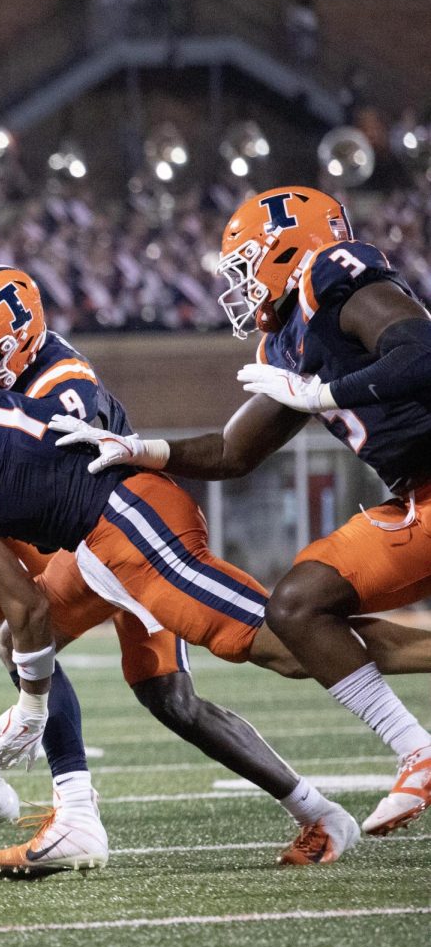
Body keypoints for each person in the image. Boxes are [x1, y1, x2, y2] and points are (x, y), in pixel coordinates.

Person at [0, 267, 370, 877]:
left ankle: (76, 813)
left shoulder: (63, 385)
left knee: (56, 642)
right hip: (52, 534)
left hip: (109, 533)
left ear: (23, 342)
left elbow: (40, 491)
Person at [51, 185, 431, 839]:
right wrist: (140, 449)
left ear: (289, 247)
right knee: (298, 606)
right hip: (416, 499)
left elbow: (421, 354)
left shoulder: (334, 277)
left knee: (296, 608)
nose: (241, 283)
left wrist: (323, 392)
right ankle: (418, 753)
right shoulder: (290, 342)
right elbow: (231, 451)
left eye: (246, 264)